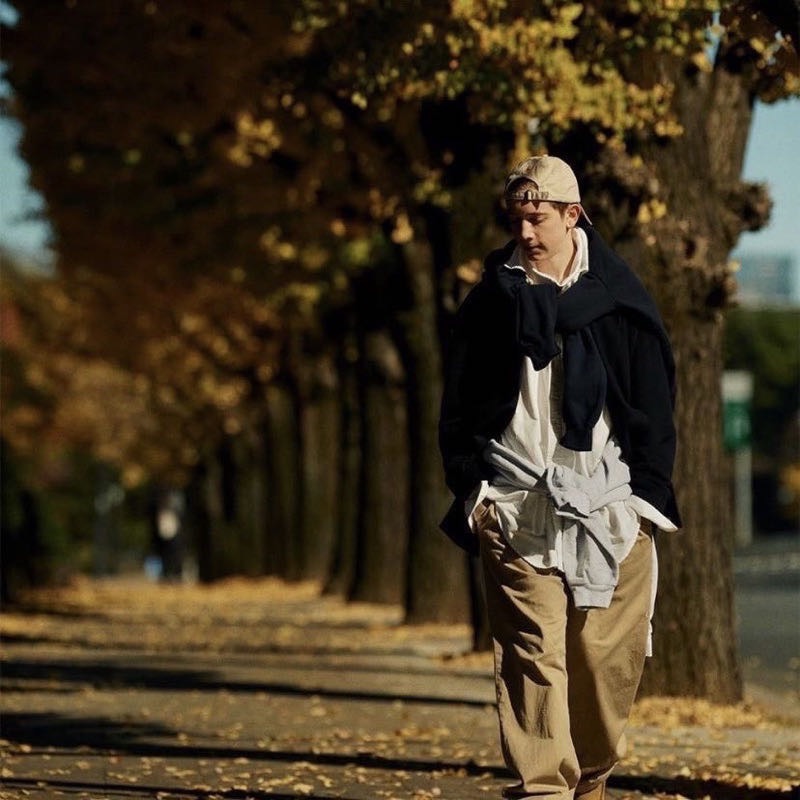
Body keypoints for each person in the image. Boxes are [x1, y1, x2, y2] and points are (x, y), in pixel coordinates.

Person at [438, 155, 681, 800]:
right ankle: (543, 788)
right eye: (517, 217)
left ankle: (593, 773)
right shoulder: (492, 300)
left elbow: (656, 406)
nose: (525, 231)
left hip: (609, 504)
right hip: (516, 502)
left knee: (601, 662)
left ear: (573, 216)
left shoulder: (619, 300)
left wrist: (645, 501)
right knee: (531, 656)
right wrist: (474, 490)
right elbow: (457, 400)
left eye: (537, 216)